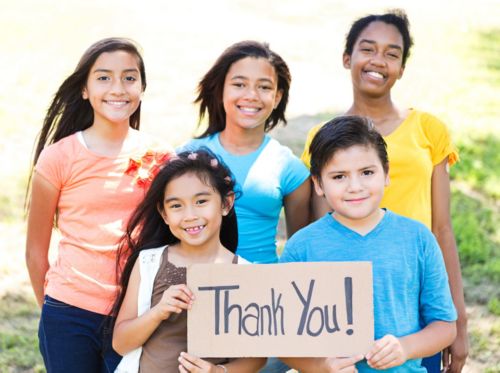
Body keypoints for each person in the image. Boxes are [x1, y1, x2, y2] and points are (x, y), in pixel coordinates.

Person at [300, 10, 467, 373]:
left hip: (412, 296)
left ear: (402, 67)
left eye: (392, 53)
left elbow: (443, 230)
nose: (379, 60)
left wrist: (461, 324)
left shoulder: (428, 129)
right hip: (346, 313)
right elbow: (318, 230)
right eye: (368, 49)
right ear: (348, 58)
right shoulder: (322, 137)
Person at [25, 37, 171, 373]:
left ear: (142, 88)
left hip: (136, 313)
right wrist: (51, 310)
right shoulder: (59, 158)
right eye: (103, 77)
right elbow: (35, 251)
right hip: (68, 312)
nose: (117, 88)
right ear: (85, 90)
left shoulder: (162, 157)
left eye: (129, 78)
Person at [281, 116, 457, 372]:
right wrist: (322, 365)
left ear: (386, 174)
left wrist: (405, 347)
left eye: (367, 172)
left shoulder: (418, 239)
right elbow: (284, 340)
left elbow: (444, 326)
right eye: (339, 176)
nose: (355, 186)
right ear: (318, 184)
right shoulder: (301, 248)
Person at [112, 150, 266, 373]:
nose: (190, 215)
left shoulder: (246, 274)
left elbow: (256, 357)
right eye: (176, 206)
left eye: (201, 201)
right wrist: (158, 311)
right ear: (164, 214)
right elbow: (120, 343)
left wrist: (218, 372)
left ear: (226, 203)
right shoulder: (149, 263)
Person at [181, 40, 310, 265]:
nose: (251, 95)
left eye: (264, 87)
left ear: (277, 97)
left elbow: (302, 249)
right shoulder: (187, 156)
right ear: (221, 88)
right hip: (196, 286)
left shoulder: (290, 168)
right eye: (239, 84)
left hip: (262, 291)